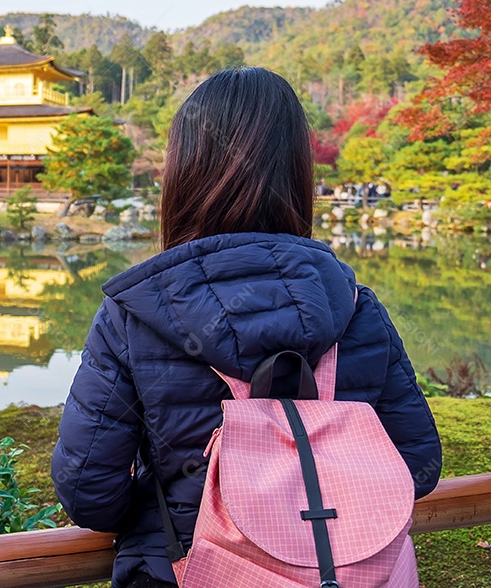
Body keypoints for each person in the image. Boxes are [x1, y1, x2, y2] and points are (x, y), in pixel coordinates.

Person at [50, 67, 441, 588]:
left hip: (184, 570)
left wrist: (180, 504)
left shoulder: (135, 313)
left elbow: (89, 491)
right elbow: (417, 465)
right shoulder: (354, 306)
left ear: (183, 170)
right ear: (298, 172)